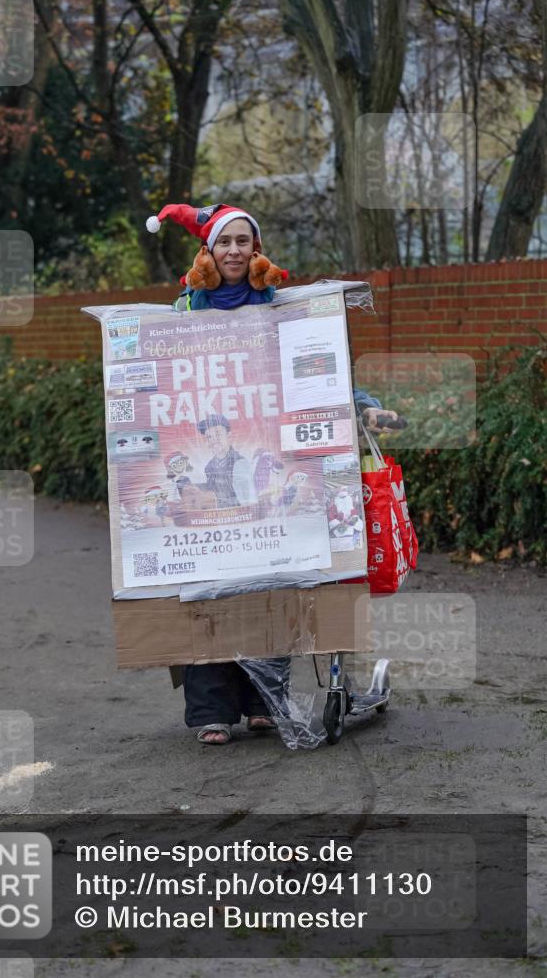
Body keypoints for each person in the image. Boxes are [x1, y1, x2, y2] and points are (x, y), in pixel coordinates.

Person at [145, 202, 399, 744]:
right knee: (209, 590)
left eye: (243, 241)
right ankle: (212, 711)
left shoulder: (285, 311)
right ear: (208, 251)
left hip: (267, 469)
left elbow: (322, 370)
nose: (234, 250)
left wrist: (365, 407)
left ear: (256, 250)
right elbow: (157, 378)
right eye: (224, 241)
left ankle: (265, 700)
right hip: (214, 490)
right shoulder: (181, 315)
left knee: (272, 583)